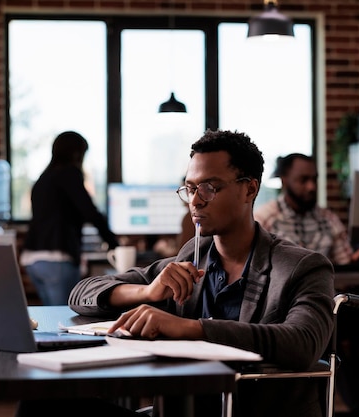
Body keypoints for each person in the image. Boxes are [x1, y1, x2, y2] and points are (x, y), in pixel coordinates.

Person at [68, 129, 335, 417]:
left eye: (210, 187)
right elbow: (81, 292)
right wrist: (146, 292)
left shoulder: (302, 267)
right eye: (190, 188)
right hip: (181, 409)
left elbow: (304, 342)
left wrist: (192, 329)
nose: (195, 201)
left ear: (250, 189)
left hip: (249, 409)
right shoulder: (192, 256)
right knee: (44, 401)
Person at [254, 153, 359, 417]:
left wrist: (355, 260)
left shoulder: (328, 219)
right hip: (286, 311)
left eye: (314, 179)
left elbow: (343, 265)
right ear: (284, 181)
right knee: (331, 337)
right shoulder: (265, 220)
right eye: (303, 180)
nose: (311, 187)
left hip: (331, 303)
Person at [20, 131, 119, 306]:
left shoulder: (43, 179)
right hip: (57, 257)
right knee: (65, 319)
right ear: (77, 154)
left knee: (51, 319)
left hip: (32, 259)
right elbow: (90, 212)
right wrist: (114, 244)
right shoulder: (69, 174)